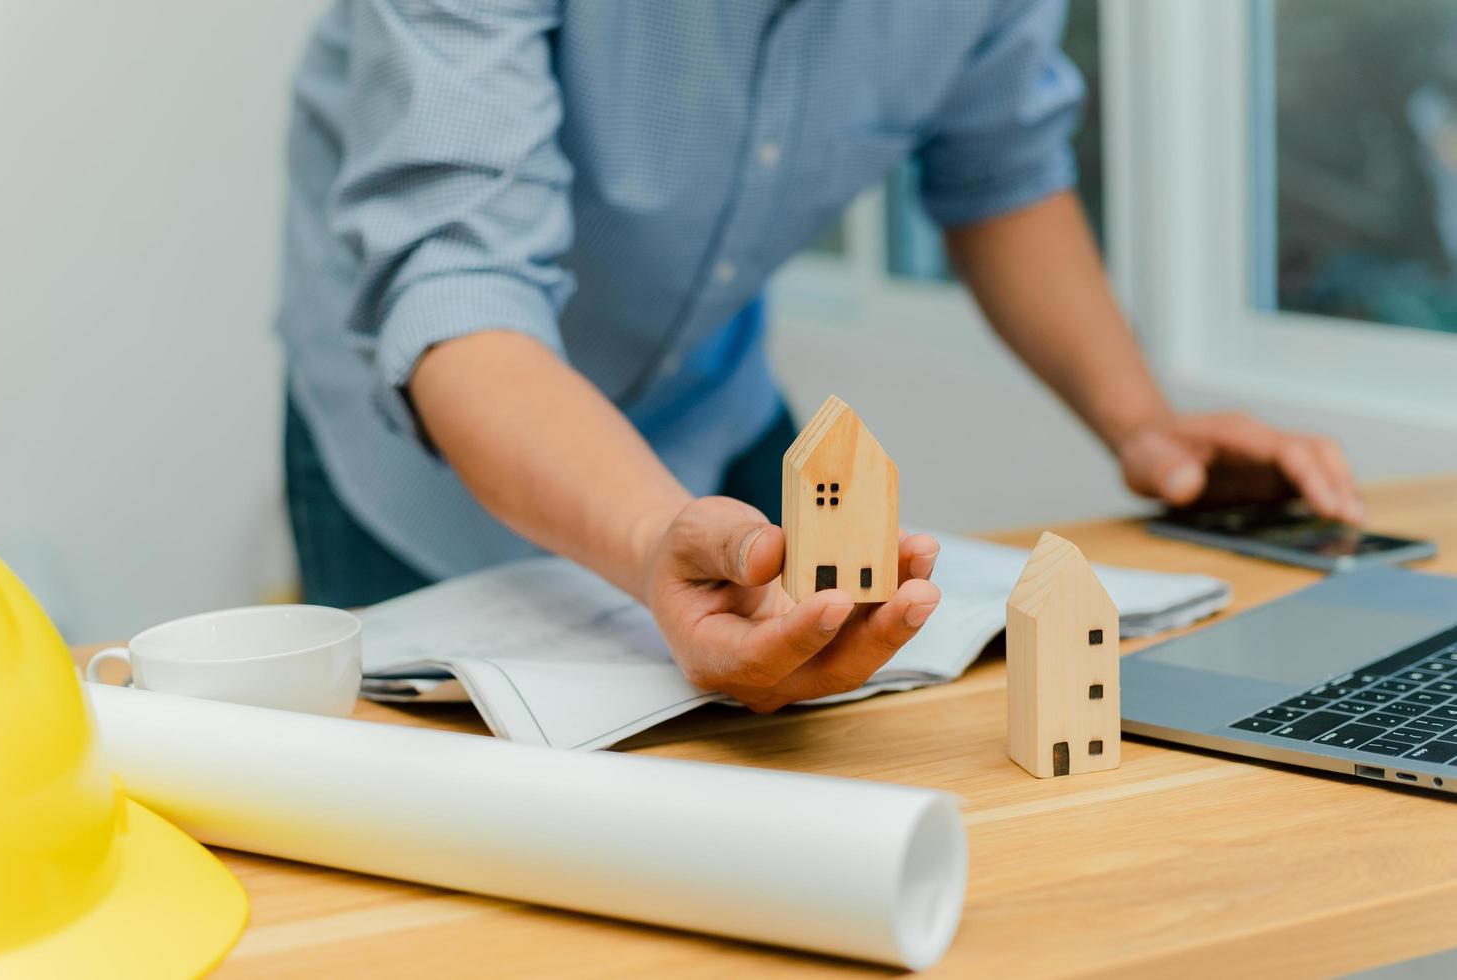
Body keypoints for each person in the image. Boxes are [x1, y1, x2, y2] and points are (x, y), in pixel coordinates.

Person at [276, 1, 1361, 713]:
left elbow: (999, 168)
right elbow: (463, 294)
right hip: (433, 444)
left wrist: (1142, 421)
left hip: (713, 400)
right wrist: (655, 538)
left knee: (801, 751)